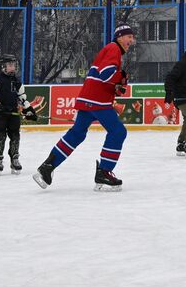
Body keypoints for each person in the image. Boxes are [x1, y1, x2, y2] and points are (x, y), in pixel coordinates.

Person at [34, 24, 136, 191]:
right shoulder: (113, 48)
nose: (131, 41)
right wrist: (121, 77)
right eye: (128, 37)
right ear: (119, 37)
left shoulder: (110, 49)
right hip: (97, 101)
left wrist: (116, 86)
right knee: (118, 132)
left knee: (77, 133)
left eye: (132, 37)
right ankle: (104, 171)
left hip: (88, 98)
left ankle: (47, 167)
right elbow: (106, 74)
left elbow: (102, 76)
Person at [0, 55, 38, 174]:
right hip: (0, 115)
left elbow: (22, 99)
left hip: (13, 114)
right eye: (10, 65)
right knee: (1, 137)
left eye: (14, 65)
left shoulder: (17, 82)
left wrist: (28, 110)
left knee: (15, 136)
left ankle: (15, 159)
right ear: (3, 67)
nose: (12, 67)